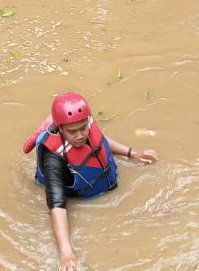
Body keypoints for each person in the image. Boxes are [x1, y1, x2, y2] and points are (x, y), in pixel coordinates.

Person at [23, 93, 158, 271]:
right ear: (60, 128)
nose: (80, 135)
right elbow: (57, 205)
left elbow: (99, 141)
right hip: (81, 195)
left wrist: (132, 153)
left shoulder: (86, 126)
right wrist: (66, 252)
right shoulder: (54, 159)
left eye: (83, 128)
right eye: (72, 132)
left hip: (104, 183)